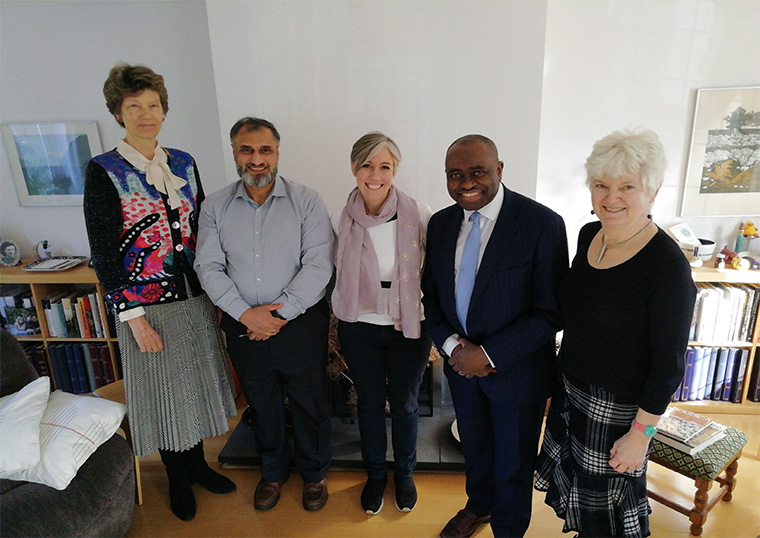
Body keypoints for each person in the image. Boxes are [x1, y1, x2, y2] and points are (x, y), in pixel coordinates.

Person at [83, 64, 237, 522]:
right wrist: (133, 318)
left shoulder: (184, 162)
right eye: (134, 106)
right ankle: (176, 476)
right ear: (118, 112)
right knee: (165, 392)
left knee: (193, 385)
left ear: (163, 110)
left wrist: (219, 290)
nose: (145, 114)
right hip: (146, 308)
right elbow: (104, 252)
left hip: (196, 297)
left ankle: (199, 465)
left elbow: (206, 229)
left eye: (152, 105)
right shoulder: (104, 171)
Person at [534, 129, 697, 538]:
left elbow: (668, 366)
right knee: (582, 499)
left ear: (654, 190)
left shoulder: (667, 268)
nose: (611, 197)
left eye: (628, 186)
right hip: (573, 391)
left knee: (608, 514)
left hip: (619, 411)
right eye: (601, 185)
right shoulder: (590, 235)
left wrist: (641, 436)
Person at [422, 135, 568, 538]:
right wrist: (453, 348)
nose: (466, 183)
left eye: (477, 172)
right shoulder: (440, 224)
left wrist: (488, 354)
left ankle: (508, 528)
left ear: (499, 170)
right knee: (477, 449)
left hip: (517, 372)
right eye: (455, 175)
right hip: (461, 370)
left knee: (514, 462)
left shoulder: (542, 224)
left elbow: (551, 311)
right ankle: (478, 506)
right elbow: (431, 295)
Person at [195, 117, 334, 512]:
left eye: (265, 150)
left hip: (300, 322)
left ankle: (314, 474)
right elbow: (208, 267)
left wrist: (279, 314)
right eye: (247, 150)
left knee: (310, 402)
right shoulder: (215, 206)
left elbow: (319, 265)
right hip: (242, 325)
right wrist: (245, 314)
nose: (256, 159)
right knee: (262, 403)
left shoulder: (307, 200)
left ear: (277, 152)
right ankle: (272, 473)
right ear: (235, 152)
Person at [332, 132, 433, 514]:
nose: (375, 175)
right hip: (358, 323)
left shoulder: (418, 213)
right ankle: (375, 474)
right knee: (371, 404)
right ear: (354, 168)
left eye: (385, 166)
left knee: (405, 404)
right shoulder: (339, 217)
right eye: (368, 165)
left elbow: (436, 271)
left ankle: (404, 473)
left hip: (409, 323)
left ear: (395, 170)